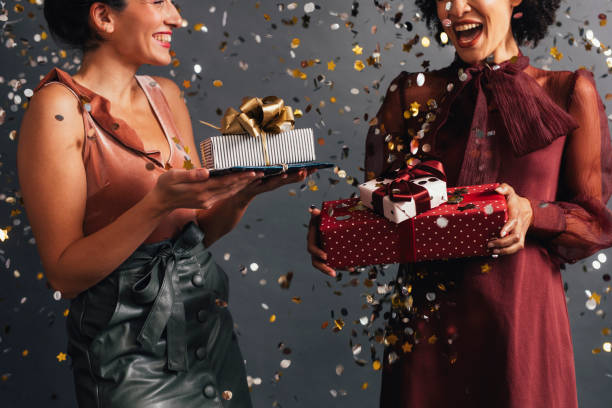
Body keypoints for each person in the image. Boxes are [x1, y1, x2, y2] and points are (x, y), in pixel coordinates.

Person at [308, 0, 612, 406]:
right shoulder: (409, 94)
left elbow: (594, 220)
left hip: (522, 328)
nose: (454, 7)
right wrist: (334, 229)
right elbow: (382, 208)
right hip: (425, 336)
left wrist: (531, 212)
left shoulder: (569, 91)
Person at [17, 0, 309, 407]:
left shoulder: (165, 95)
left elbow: (200, 230)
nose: (176, 17)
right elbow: (64, 275)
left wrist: (243, 192)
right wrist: (154, 204)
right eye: (158, 2)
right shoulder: (57, 108)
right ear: (104, 17)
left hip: (210, 332)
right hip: (128, 354)